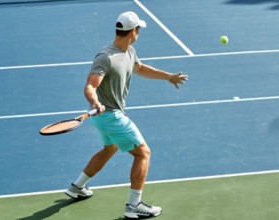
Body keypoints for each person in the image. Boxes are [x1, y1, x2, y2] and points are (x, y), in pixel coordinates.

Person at [65, 11, 188, 219]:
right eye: (138, 28)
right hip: (109, 114)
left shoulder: (130, 52)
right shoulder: (106, 57)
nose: (139, 32)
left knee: (110, 148)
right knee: (143, 153)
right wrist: (95, 101)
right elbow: (89, 86)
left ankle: (77, 187)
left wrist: (168, 77)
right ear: (134, 31)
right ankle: (134, 205)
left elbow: (139, 68)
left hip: (104, 115)